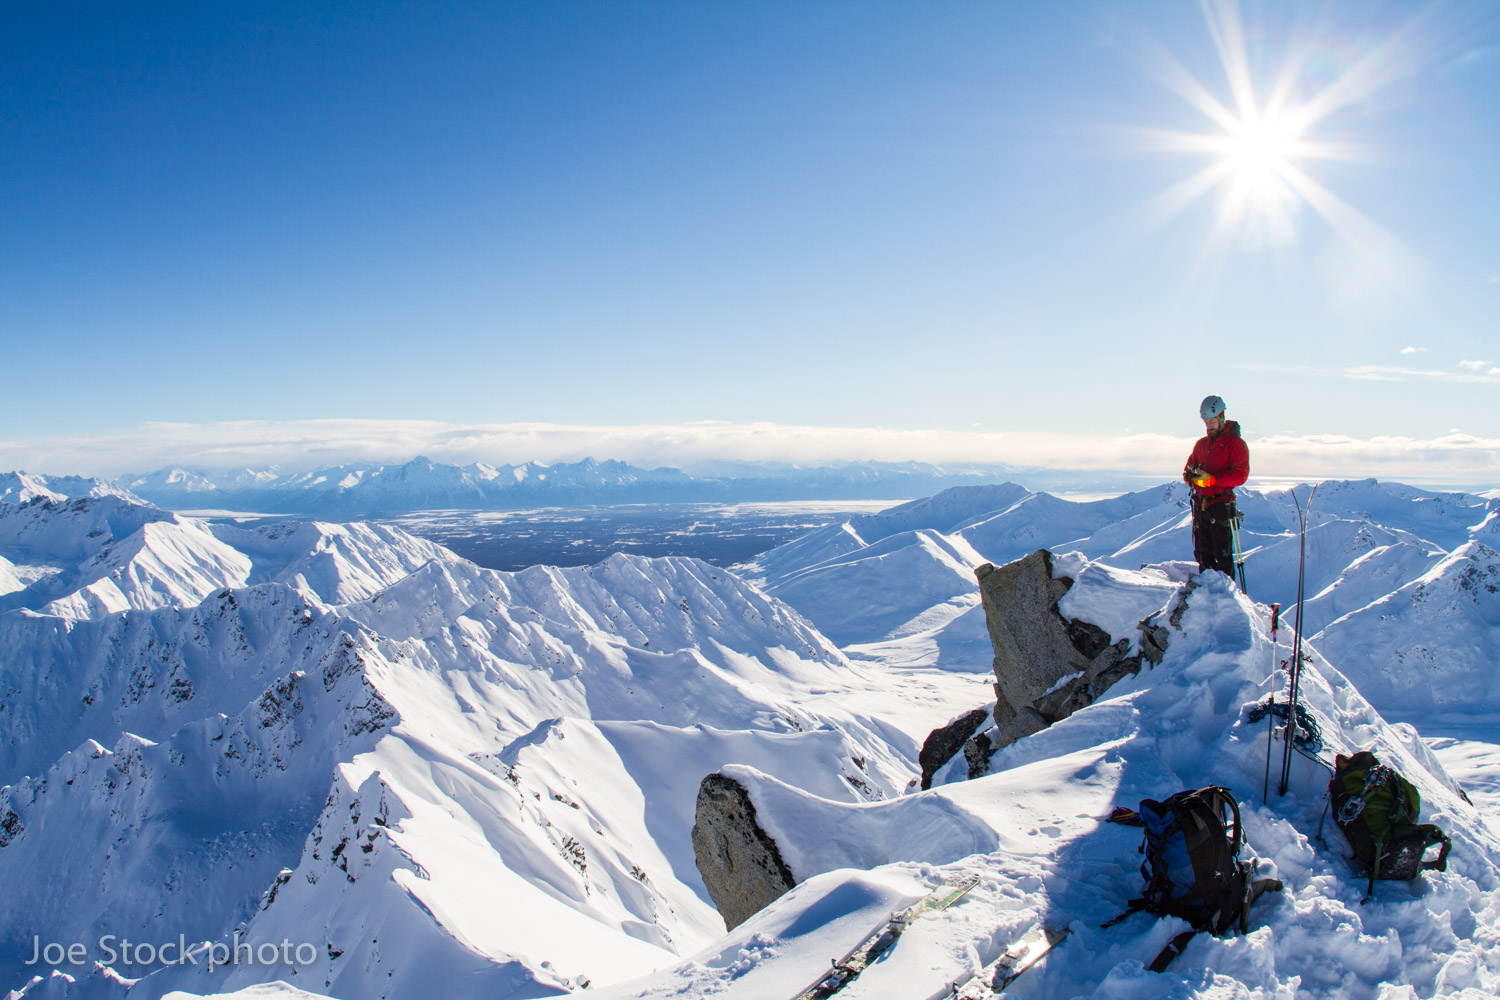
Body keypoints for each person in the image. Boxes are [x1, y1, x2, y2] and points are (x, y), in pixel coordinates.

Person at [1183, 395, 1249, 578]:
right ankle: (1206, 597)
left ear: (1222, 417)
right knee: (1203, 554)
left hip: (1220, 504)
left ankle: (1225, 597)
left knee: (1223, 556)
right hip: (1201, 504)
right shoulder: (1201, 445)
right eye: (1206, 422)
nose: (1208, 426)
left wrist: (1211, 480)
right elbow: (1187, 472)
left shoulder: (1236, 444)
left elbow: (1240, 475)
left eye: (1212, 421)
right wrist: (1193, 478)